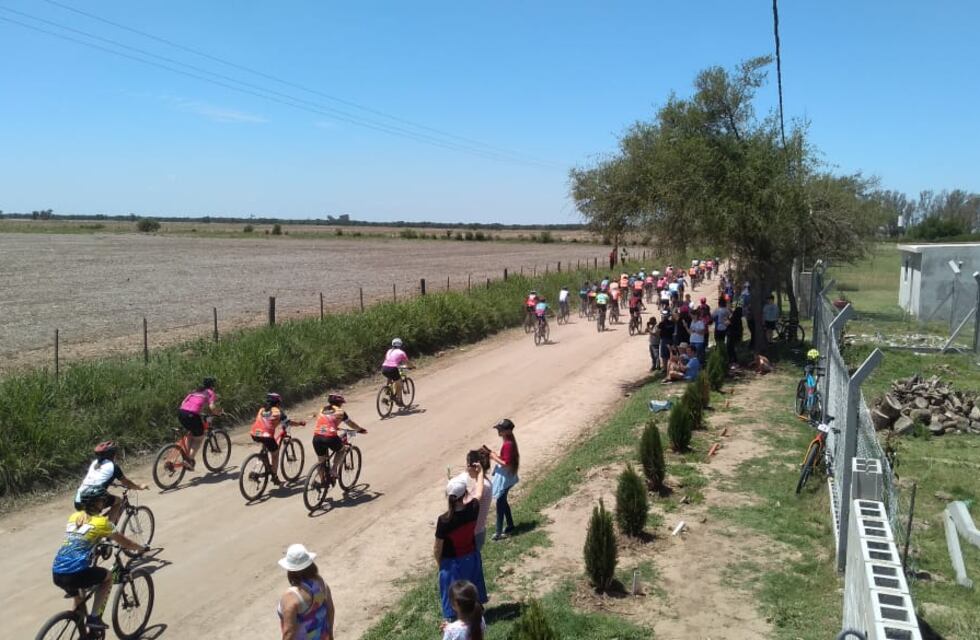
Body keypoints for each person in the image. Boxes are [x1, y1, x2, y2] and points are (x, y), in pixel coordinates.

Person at [52, 486, 147, 632]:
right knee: (108, 578)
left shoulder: (73, 517)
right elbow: (127, 543)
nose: (104, 503)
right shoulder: (102, 523)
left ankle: (80, 626)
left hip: (57, 572)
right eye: (101, 500)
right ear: (96, 503)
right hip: (76, 573)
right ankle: (94, 618)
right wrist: (141, 548)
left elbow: (83, 537)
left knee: (79, 600)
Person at [435, 468, 488, 621]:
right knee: (472, 592)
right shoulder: (473, 508)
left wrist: (440, 564)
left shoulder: (444, 520)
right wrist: (479, 473)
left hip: (452, 565)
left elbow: (437, 547)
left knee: (453, 596)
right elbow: (479, 491)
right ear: (464, 495)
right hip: (471, 557)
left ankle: (453, 622)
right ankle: (477, 615)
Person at [74, 441, 148, 524]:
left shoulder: (94, 463)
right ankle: (109, 529)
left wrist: (111, 483)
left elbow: (96, 479)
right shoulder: (113, 467)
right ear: (112, 454)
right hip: (92, 499)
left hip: (78, 499)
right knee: (118, 501)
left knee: (90, 522)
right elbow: (126, 482)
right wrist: (139, 487)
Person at [277, 543, 334, 640]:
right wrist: (330, 634)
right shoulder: (321, 583)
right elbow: (330, 610)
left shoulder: (291, 596)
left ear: (291, 570)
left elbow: (289, 632)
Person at [312, 394, 367, 487]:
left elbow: (326, 420)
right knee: (343, 449)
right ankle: (333, 470)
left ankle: (322, 481)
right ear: (339, 403)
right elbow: (351, 423)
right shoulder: (341, 412)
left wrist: (334, 426)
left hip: (317, 437)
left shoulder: (322, 409)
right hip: (330, 437)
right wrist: (360, 429)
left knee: (321, 461)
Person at [250, 392, 304, 486]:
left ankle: (255, 470)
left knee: (264, 449)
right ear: (278, 403)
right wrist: (299, 423)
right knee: (275, 454)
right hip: (266, 436)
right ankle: (274, 477)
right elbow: (288, 422)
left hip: (254, 433)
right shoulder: (278, 411)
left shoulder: (262, 409)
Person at [484, 418, 519, 540]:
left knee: (500, 503)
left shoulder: (508, 444)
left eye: (501, 429)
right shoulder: (508, 442)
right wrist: (495, 455)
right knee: (502, 501)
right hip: (508, 476)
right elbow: (505, 459)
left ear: (507, 431)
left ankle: (498, 533)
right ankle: (510, 525)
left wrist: (493, 457)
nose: (499, 431)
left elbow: (506, 463)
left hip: (505, 478)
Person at [177, 377, 221, 470]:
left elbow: (184, 402)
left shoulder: (195, 391)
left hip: (181, 412)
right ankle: (189, 460)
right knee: (199, 438)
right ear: (213, 386)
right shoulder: (210, 393)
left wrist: (196, 411)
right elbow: (212, 407)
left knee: (191, 433)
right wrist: (218, 413)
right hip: (192, 414)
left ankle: (186, 455)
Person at [465, 449, 493, 551]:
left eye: (468, 465)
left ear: (475, 467)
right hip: (479, 530)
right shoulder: (485, 482)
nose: (467, 469)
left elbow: (467, 506)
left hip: (474, 533)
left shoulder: (482, 486)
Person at [381, 338, 414, 406]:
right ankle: (398, 400)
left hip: (384, 368)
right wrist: (411, 366)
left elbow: (390, 360)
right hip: (393, 368)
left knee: (390, 377)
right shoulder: (401, 352)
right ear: (400, 345)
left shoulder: (389, 351)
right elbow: (407, 362)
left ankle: (387, 392)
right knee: (400, 384)